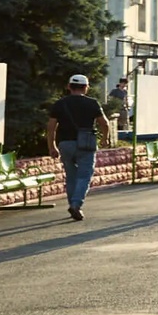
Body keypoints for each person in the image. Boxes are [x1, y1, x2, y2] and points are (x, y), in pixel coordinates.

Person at [46, 73, 113, 221]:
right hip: (86, 144)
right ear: (86, 87)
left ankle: (73, 204)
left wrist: (52, 146)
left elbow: (51, 127)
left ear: (69, 87)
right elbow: (105, 123)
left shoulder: (60, 104)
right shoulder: (92, 103)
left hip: (65, 144)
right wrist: (105, 139)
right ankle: (76, 205)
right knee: (84, 175)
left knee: (71, 176)